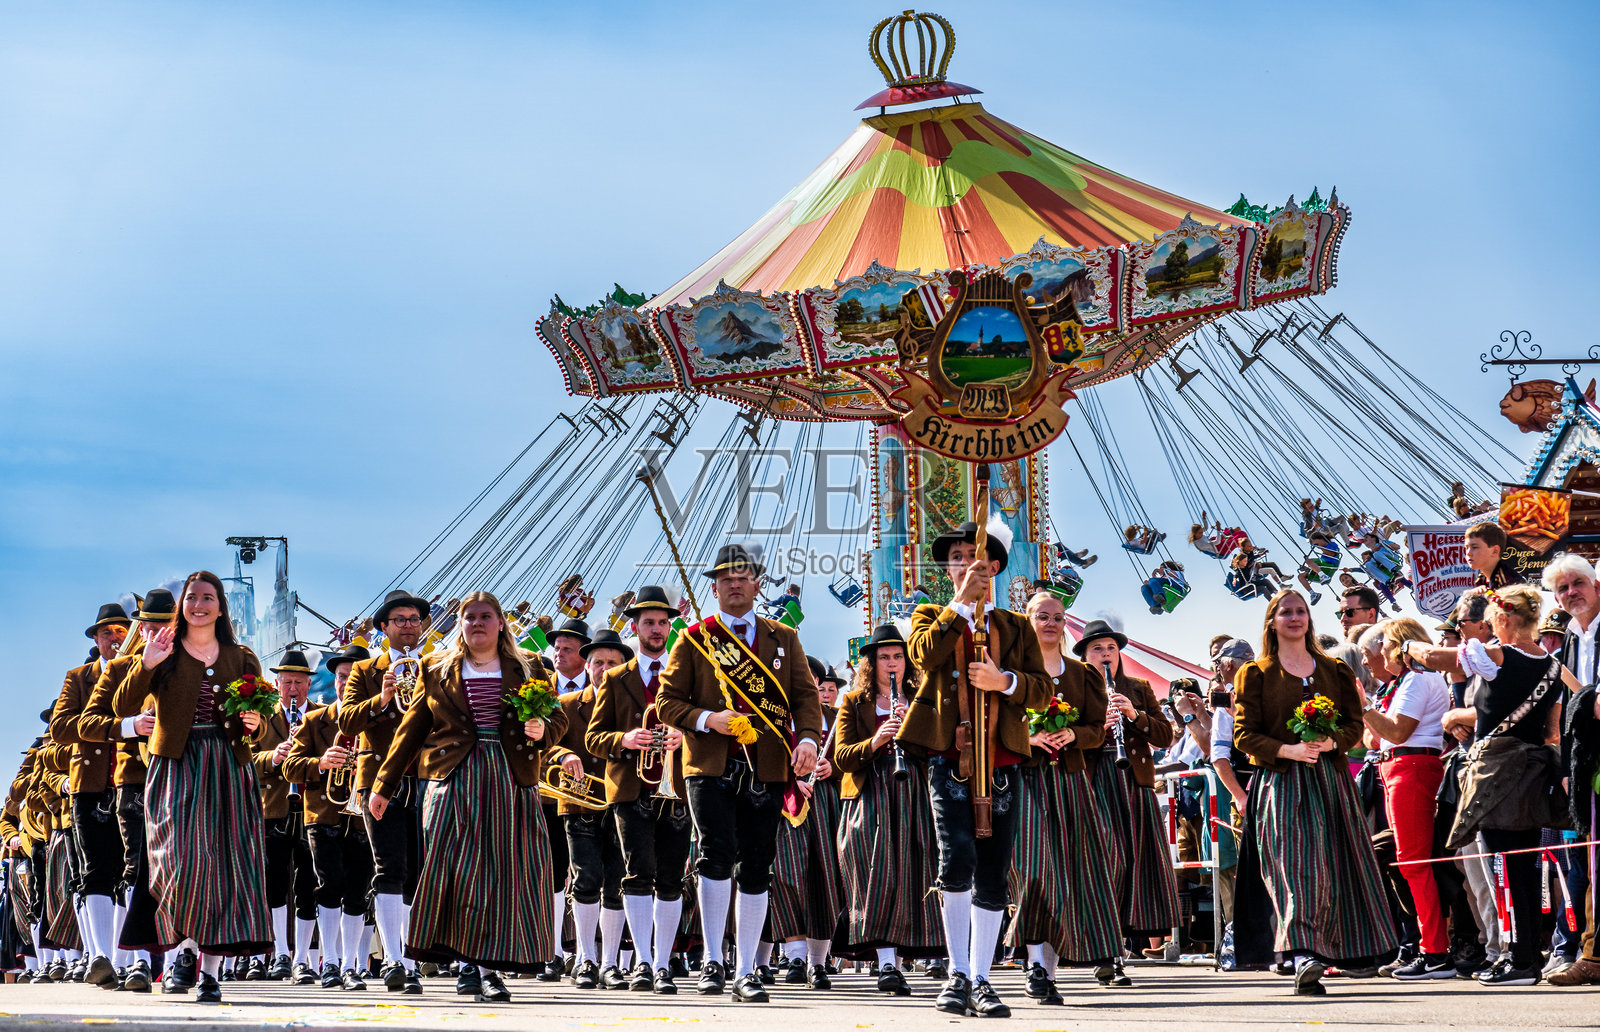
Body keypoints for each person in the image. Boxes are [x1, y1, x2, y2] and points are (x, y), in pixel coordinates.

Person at [369, 591, 569, 1002]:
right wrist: (383, 785)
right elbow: (412, 728)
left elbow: (558, 717)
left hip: (509, 778)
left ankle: (488, 970)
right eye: (468, 617)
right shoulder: (436, 668)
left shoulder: (528, 667)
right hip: (451, 778)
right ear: (459, 625)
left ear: (500, 623)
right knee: (455, 871)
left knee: (501, 876)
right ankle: (465, 965)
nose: (476, 623)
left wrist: (542, 730)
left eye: (485, 616)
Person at [655, 543, 822, 1004]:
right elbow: (667, 702)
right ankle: (713, 958)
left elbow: (806, 699)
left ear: (756, 584)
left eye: (743, 576)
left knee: (757, 862)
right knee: (713, 855)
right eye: (725, 577)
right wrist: (710, 719)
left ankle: (747, 966)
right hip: (710, 762)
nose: (734, 583)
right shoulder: (693, 638)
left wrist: (807, 740)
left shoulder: (783, 638)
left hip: (766, 765)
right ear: (713, 587)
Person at [900, 519, 1048, 1018]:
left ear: (997, 568)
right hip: (950, 756)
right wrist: (960, 605)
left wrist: (1004, 680)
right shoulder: (929, 614)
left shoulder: (1015, 626)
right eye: (959, 558)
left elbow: (1042, 689)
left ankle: (983, 978)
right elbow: (924, 656)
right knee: (956, 857)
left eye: (976, 558)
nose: (966, 565)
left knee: (994, 868)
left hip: (1002, 757)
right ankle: (957, 971)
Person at [1232, 589, 1398, 996]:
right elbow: (1243, 735)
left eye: (1300, 611)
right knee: (1294, 867)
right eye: (1285, 612)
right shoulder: (1255, 673)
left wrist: (1331, 743)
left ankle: (1349, 949)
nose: (1294, 617)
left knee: (1336, 866)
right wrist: (1285, 748)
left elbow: (1353, 726)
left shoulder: (1334, 670)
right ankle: (1304, 953)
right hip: (1282, 783)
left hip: (1329, 781)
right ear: (1272, 621)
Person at [120, 571, 273, 1004]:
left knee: (226, 868)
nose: (200, 604)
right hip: (177, 766)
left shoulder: (241, 657)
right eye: (192, 597)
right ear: (181, 605)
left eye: (209, 598)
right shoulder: (162, 651)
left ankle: (207, 969)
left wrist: (256, 724)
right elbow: (123, 706)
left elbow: (259, 727)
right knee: (180, 860)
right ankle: (180, 952)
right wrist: (145, 663)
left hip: (228, 766)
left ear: (221, 607)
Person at [1414, 584, 1573, 985]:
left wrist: (1408, 650)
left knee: (1501, 867)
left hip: (1496, 773)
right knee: (1523, 866)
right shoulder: (1554, 666)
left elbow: (1434, 656)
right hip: (1534, 772)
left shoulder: (1496, 655)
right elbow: (1553, 730)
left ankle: (1519, 960)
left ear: (1502, 619)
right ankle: (1523, 956)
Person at [1009, 592, 1119, 1005]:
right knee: (1036, 872)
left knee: (1073, 873)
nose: (1051, 623)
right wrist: (1030, 736)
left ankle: (1047, 972)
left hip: (1072, 782)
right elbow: (996, 725)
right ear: (1029, 620)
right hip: (1027, 780)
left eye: (1057, 617)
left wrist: (1073, 734)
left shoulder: (1082, 674)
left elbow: (1097, 730)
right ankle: (1036, 963)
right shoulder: (1013, 672)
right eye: (1043, 616)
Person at [583, 587, 692, 995]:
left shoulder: (686, 673)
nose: (657, 629)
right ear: (635, 627)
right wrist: (625, 739)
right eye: (649, 622)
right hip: (630, 788)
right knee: (636, 874)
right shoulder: (615, 678)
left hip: (676, 787)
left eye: (664, 622)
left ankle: (663, 963)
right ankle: (643, 961)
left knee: (671, 877)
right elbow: (594, 738)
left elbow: (701, 723)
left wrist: (687, 736)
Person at [832, 624, 945, 996]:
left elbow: (936, 745)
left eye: (898, 656)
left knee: (911, 873)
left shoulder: (919, 697)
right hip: (869, 795)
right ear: (872, 663)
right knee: (874, 875)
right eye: (884, 657)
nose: (892, 663)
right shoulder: (853, 701)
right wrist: (876, 740)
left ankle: (909, 960)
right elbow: (842, 757)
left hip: (912, 790)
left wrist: (909, 727)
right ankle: (885, 964)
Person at [79, 589, 177, 992]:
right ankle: (135, 960)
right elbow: (87, 724)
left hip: (184, 772)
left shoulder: (193, 660)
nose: (153, 632)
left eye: (162, 625)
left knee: (178, 868)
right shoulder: (120, 668)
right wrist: (130, 725)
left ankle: (175, 960)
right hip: (135, 777)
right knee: (136, 868)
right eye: (148, 625)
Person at [1077, 619, 1179, 987]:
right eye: (1097, 649)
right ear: (1085, 655)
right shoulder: (1077, 687)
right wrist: (1098, 728)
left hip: (1133, 782)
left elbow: (1166, 736)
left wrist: (1134, 716)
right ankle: (1106, 946)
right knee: (1106, 860)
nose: (1105, 655)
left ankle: (1122, 943)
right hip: (1095, 780)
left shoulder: (1138, 687)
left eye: (1110, 649)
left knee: (1137, 863)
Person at [339, 589, 430, 994]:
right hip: (377, 778)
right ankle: (394, 957)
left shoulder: (435, 666)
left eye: (414, 620)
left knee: (419, 870)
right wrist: (383, 698)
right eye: (400, 621)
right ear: (383, 628)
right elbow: (346, 719)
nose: (408, 627)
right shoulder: (365, 670)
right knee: (388, 866)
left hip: (425, 777)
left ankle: (411, 959)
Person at [1355, 619, 1452, 980]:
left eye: (1377, 650)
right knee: (1410, 861)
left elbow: (1394, 731)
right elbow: (1375, 741)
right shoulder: (1409, 680)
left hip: (1411, 765)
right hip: (1402, 765)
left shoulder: (1417, 678)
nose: (1372, 659)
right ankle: (1429, 947)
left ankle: (1435, 951)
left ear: (1394, 645)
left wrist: (1362, 705)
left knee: (1414, 862)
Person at [46, 602, 130, 989]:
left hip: (133, 780)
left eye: (121, 630)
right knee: (95, 868)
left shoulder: (140, 673)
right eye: (107, 632)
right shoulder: (78, 677)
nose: (115, 637)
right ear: (95, 639)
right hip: (91, 785)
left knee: (132, 870)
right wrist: (117, 727)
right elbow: (61, 727)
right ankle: (103, 956)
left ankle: (127, 957)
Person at [283, 645, 376, 991]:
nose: (345, 683)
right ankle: (331, 961)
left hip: (360, 816)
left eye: (354, 677)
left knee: (357, 890)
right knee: (329, 883)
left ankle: (351, 963)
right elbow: (291, 766)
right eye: (340, 677)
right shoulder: (313, 720)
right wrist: (321, 763)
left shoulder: (374, 722)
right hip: (322, 814)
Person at [555, 627, 633, 991]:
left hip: (621, 802)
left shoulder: (632, 707)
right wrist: (564, 754)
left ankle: (610, 962)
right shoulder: (569, 704)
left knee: (617, 883)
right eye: (597, 662)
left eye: (612, 663)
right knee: (585, 880)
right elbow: (545, 749)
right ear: (586, 666)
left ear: (623, 667)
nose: (603, 668)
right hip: (579, 803)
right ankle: (586, 958)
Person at [767, 655, 846, 990]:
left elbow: (852, 754)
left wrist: (834, 768)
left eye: (814, 679)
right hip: (785, 804)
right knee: (786, 876)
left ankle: (818, 962)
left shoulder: (836, 717)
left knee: (824, 877)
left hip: (826, 802)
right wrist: (788, 778)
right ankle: (795, 954)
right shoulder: (774, 715)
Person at [245, 649, 319, 983]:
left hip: (310, 807)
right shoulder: (262, 716)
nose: (292, 689)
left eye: (298, 682)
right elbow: (245, 757)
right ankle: (276, 954)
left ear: (307, 685)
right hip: (272, 805)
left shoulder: (321, 715)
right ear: (277, 684)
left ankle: (302, 957)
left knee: (308, 882)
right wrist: (273, 757)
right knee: (272, 883)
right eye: (287, 682)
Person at [1546, 553, 1600, 984]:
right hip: (1587, 759)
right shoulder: (1569, 639)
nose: (1570, 593)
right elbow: (1566, 710)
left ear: (1596, 584)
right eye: (1562, 588)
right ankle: (1593, 954)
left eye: (1577, 583)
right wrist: (1567, 764)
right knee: (1593, 857)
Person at [541, 616, 591, 981]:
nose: (558, 653)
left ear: (584, 655)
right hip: (548, 793)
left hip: (594, 793)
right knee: (553, 873)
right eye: (556, 647)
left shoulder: (603, 685)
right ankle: (552, 950)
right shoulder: (540, 688)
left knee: (593, 873)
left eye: (567, 648)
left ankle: (595, 953)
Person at [1464, 522, 1523, 589]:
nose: (1468, 553)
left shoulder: (1509, 581)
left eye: (1475, 547)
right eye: (1466, 547)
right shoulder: (1482, 579)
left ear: (1495, 551)